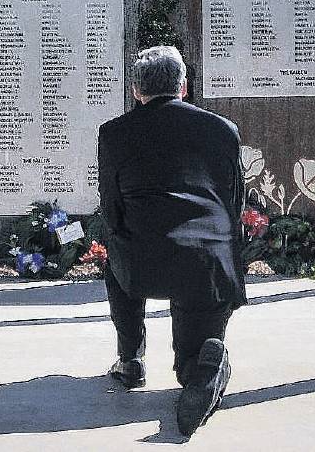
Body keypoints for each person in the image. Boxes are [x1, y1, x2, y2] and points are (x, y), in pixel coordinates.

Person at [97, 44, 245, 437]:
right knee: (190, 364)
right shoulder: (222, 129)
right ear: (184, 86)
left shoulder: (114, 133)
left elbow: (111, 206)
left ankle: (130, 360)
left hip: (143, 262)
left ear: (135, 90)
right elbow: (234, 201)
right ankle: (201, 368)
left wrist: (120, 244)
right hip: (209, 263)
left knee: (117, 259)